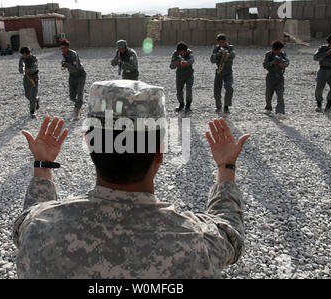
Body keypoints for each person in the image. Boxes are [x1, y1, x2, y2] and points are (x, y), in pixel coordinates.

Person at [14, 79, 250, 279]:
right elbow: (231, 234)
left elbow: (30, 216)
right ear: (160, 151)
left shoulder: (39, 228)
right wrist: (225, 166)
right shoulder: (197, 241)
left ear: (88, 144)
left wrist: (43, 165)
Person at [60, 39, 87, 120]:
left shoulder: (73, 54)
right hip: (72, 75)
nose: (62, 50)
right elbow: (65, 63)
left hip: (80, 75)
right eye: (61, 48)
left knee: (79, 93)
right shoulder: (64, 54)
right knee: (72, 97)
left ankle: (77, 110)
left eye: (64, 48)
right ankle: (78, 104)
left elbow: (75, 67)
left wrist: (67, 64)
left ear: (68, 47)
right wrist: (63, 64)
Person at [263, 40, 289, 117]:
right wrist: (272, 63)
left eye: (279, 50)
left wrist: (284, 64)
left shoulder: (282, 54)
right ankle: (268, 108)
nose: (278, 51)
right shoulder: (268, 55)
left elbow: (287, 62)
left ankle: (280, 111)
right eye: (276, 50)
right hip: (271, 76)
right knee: (268, 94)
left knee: (280, 95)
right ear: (273, 49)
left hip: (280, 77)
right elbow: (265, 65)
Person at [210, 34, 235, 114]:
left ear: (225, 41)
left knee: (229, 88)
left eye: (223, 42)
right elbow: (212, 60)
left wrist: (228, 54)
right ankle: (218, 105)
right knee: (216, 91)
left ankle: (226, 106)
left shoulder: (230, 47)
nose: (221, 43)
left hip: (228, 71)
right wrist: (217, 55)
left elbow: (233, 54)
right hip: (219, 71)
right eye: (220, 42)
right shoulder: (216, 49)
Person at [170, 41, 195, 114]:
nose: (183, 54)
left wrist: (186, 62)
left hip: (189, 75)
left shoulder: (189, 52)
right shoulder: (175, 54)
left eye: (184, 52)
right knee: (179, 91)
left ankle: (188, 106)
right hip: (180, 75)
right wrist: (177, 62)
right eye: (181, 52)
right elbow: (171, 66)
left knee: (189, 90)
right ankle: (181, 104)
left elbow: (192, 60)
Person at [19, 47, 40, 118]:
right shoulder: (22, 58)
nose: (24, 56)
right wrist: (21, 69)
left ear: (28, 53)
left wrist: (28, 70)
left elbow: (35, 67)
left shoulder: (33, 58)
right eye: (23, 55)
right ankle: (36, 100)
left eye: (25, 55)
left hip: (34, 78)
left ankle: (32, 111)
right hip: (26, 78)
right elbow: (20, 67)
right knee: (27, 94)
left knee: (32, 95)